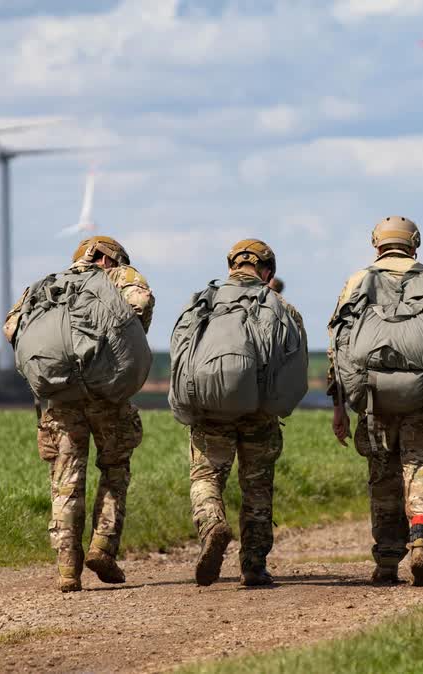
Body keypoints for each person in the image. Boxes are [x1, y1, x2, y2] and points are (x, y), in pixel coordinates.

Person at [3, 236, 154, 593]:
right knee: (115, 470)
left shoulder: (46, 286)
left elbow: (12, 327)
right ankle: (103, 545)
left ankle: (67, 569)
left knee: (65, 482)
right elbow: (141, 303)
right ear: (109, 259)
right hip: (107, 397)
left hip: (60, 399)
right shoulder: (119, 277)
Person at [328, 216, 423, 587]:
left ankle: (388, 562)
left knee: (382, 476)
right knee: (420, 465)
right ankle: (421, 537)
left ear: (376, 244)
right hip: (422, 398)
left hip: (372, 398)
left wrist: (340, 405)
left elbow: (338, 343)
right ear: (415, 244)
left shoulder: (358, 281)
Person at [184, 240, 307, 587]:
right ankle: (253, 565)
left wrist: (187, 406)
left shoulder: (201, 302)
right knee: (257, 487)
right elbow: (295, 368)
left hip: (209, 410)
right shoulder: (282, 306)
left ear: (231, 267)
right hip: (259, 413)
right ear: (267, 272)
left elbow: (183, 355)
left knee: (206, 478)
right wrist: (275, 405)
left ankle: (212, 525)